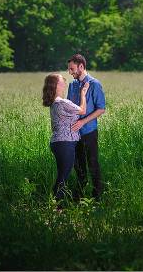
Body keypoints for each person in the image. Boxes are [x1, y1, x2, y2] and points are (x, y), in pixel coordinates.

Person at [42, 73, 88, 201]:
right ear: (55, 86)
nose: (64, 85)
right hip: (65, 143)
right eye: (62, 83)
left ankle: (58, 203)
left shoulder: (54, 103)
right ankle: (56, 206)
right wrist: (83, 94)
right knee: (63, 175)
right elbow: (83, 110)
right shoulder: (62, 102)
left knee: (63, 174)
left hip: (60, 143)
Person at [66, 54, 106, 200]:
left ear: (81, 66)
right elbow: (70, 108)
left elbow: (101, 108)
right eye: (69, 69)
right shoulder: (72, 85)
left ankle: (97, 198)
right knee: (79, 167)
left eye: (72, 69)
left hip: (89, 132)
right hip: (74, 134)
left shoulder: (95, 84)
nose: (70, 73)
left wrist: (83, 122)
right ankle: (79, 198)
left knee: (93, 164)